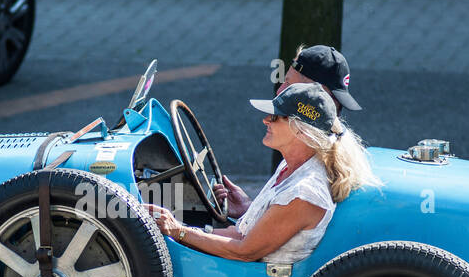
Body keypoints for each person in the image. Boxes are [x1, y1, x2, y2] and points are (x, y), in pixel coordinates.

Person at [143, 82, 381, 264]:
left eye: (276, 117)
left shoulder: (305, 192)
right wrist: (249, 210)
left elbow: (245, 251)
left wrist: (178, 230)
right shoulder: (290, 167)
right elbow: (241, 234)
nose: (266, 119)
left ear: (301, 131)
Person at [217, 44, 362, 216]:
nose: (279, 90)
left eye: (289, 84)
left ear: (314, 95)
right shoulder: (316, 153)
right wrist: (249, 210)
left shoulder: (308, 175)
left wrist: (180, 232)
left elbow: (251, 243)